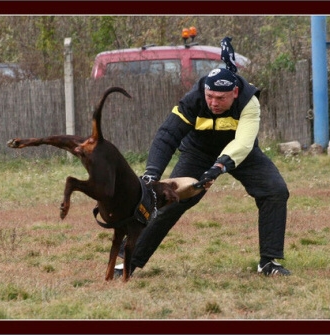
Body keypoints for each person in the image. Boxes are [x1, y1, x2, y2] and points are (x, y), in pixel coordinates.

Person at [116, 38, 291, 277]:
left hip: (241, 153)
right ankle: (127, 262)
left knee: (275, 190)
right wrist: (152, 173)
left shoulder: (249, 101)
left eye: (221, 98)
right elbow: (168, 135)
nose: (213, 103)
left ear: (235, 92)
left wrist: (219, 166)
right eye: (210, 96)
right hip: (198, 153)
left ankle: (269, 262)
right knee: (169, 202)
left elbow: (243, 142)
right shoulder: (193, 100)